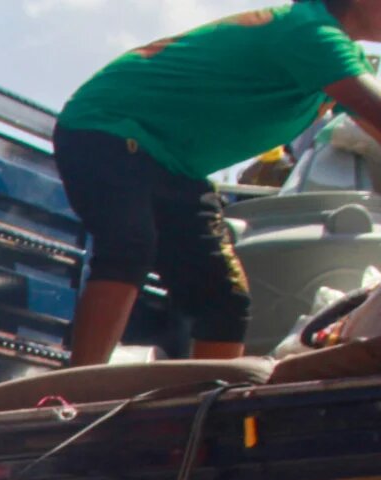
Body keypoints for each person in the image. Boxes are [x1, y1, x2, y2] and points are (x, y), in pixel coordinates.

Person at [56, 0, 381, 366]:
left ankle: (210, 410)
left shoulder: (338, 53)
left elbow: (364, 129)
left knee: (223, 298)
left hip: (176, 163)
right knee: (128, 247)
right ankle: (78, 387)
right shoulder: (312, 34)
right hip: (107, 128)